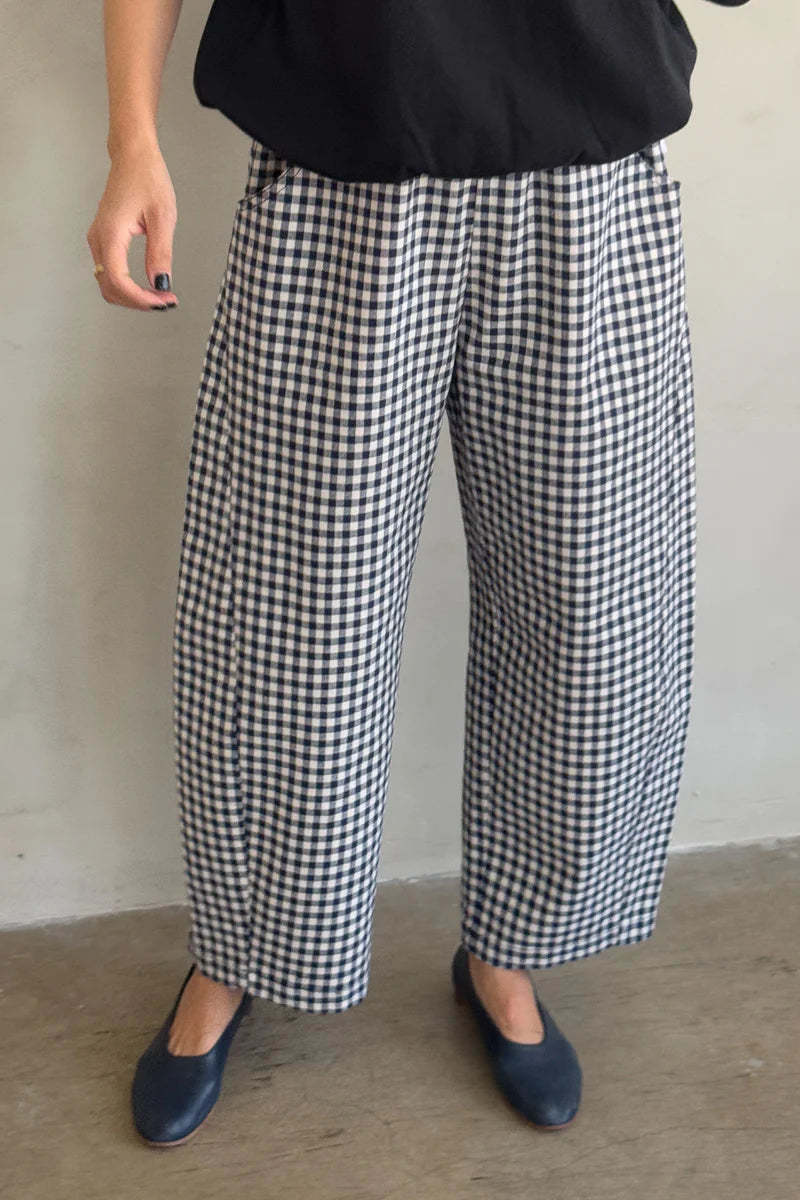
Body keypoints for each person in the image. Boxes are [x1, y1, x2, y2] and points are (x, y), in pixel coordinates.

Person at [86, 0, 752, 1148]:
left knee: (591, 618)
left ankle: (510, 949)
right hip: (335, 180)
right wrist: (132, 138)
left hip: (585, 183)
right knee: (292, 626)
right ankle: (240, 951)